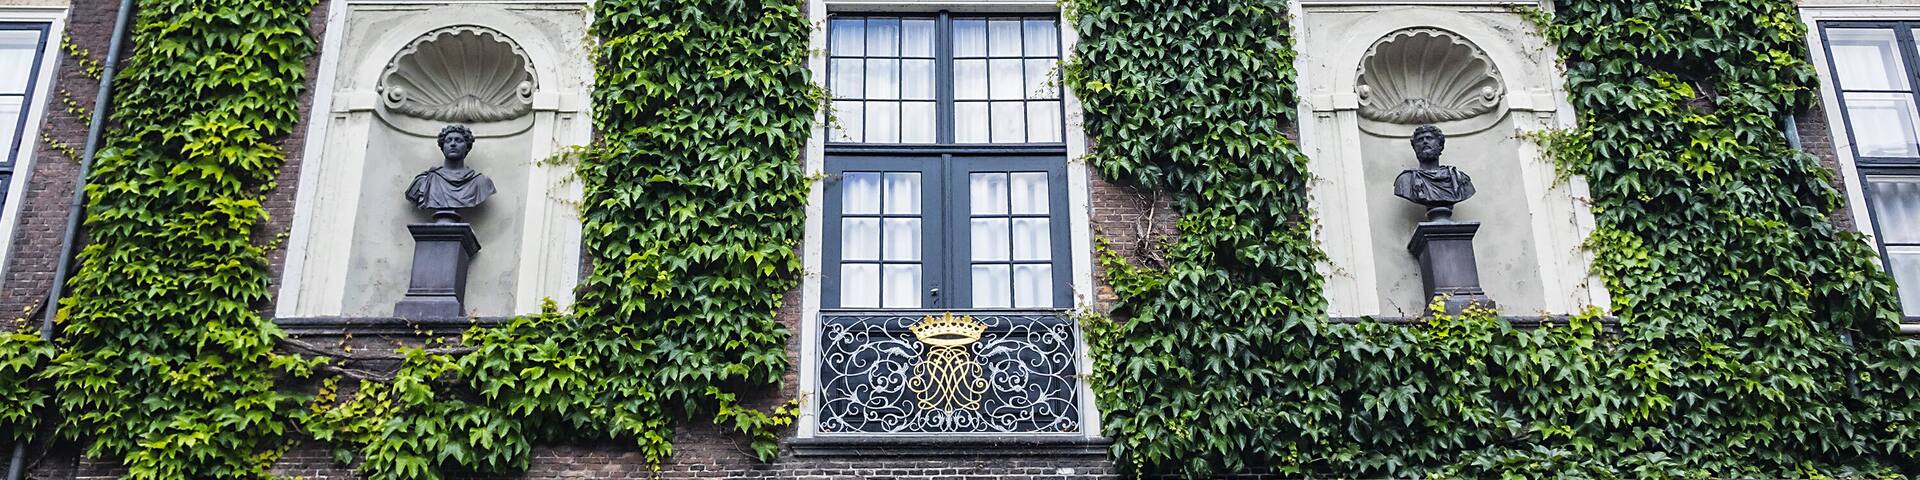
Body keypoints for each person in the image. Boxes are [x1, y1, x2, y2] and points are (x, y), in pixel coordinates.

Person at [406, 124, 497, 220]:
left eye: (458, 140)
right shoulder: (424, 181)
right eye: (448, 140)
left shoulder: (480, 182)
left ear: (467, 147)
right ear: (443, 146)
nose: (453, 144)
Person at [1393, 125, 1476, 221]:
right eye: (1420, 140)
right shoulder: (1405, 180)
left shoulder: (1459, 178)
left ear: (1440, 145)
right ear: (1415, 148)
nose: (1424, 141)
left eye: (1429, 138)